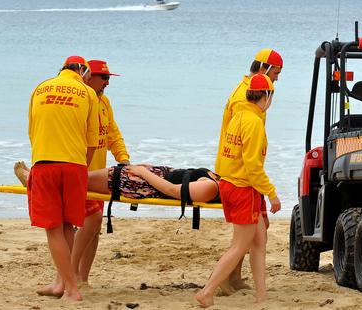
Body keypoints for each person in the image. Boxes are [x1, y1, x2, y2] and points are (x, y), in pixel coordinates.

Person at [196, 74, 282, 307]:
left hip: (232, 184)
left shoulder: (239, 116)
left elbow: (227, 156)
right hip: (243, 187)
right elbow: (253, 166)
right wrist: (271, 193)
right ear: (267, 96)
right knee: (240, 245)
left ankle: (261, 295)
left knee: (259, 239)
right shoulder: (254, 122)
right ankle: (207, 291)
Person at [26, 55, 99, 302]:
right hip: (75, 165)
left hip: (46, 161)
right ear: (83, 71)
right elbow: (93, 142)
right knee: (67, 225)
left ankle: (71, 289)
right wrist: (82, 166)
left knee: (53, 229)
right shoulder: (87, 93)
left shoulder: (40, 88)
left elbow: (32, 131)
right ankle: (61, 284)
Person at [215, 48, 283, 294]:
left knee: (254, 231)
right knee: (250, 233)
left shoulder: (248, 89)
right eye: (275, 73)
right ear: (264, 67)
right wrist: (269, 190)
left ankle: (233, 276)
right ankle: (220, 281)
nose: (277, 79)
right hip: (242, 174)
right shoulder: (245, 100)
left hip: (239, 170)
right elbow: (246, 150)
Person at [72, 59, 130, 285]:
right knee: (93, 220)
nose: (107, 83)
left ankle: (83, 278)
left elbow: (113, 134)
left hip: (101, 175)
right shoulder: (80, 102)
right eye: (104, 78)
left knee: (94, 227)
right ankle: (70, 274)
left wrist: (123, 159)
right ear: (88, 77)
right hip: (80, 172)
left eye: (108, 78)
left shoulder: (104, 102)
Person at [15, 162, 220, 203]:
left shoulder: (211, 188)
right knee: (79, 179)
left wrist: (142, 172)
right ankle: (37, 179)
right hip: (145, 176)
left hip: (138, 183)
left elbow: (172, 189)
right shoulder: (217, 178)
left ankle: (34, 181)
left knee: (80, 181)